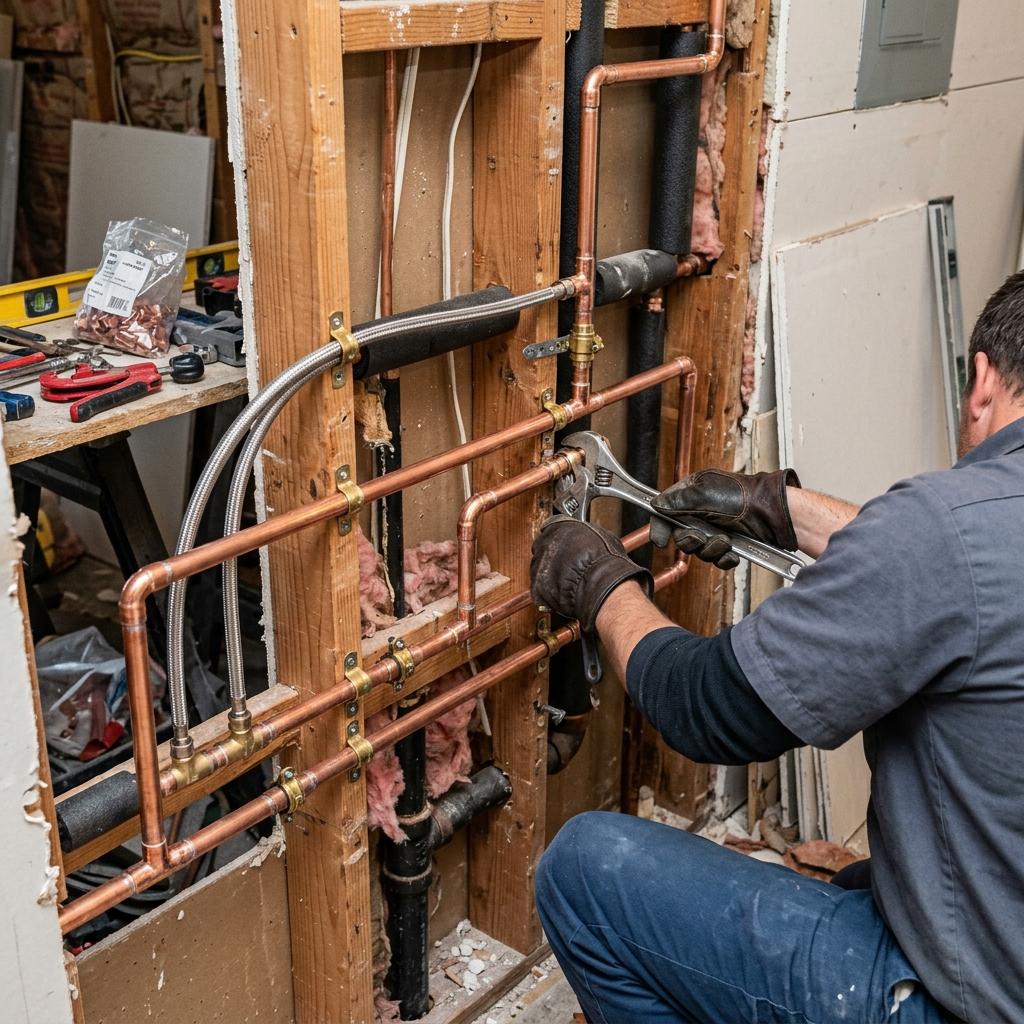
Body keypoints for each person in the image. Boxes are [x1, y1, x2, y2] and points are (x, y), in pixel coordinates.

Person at [530, 271, 1024, 1023]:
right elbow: (966, 568)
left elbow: (707, 709)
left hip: (968, 1003)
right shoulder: (967, 535)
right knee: (863, 882)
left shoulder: (944, 533)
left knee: (583, 873)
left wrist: (600, 585)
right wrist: (781, 509)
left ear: (981, 382)